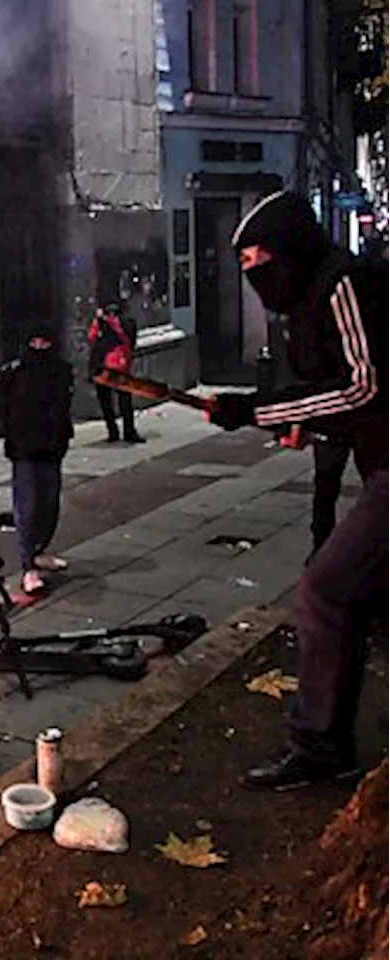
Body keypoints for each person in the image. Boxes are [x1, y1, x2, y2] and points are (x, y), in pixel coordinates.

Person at [205, 189, 389, 791]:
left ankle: (318, 745)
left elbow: (365, 387)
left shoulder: (343, 284)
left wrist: (263, 410)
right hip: (379, 455)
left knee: (327, 588)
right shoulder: (305, 301)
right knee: (361, 591)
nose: (256, 279)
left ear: (287, 251)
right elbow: (336, 395)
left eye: (260, 263)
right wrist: (302, 421)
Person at [3, 324, 75, 597]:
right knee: (28, 508)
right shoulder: (17, 371)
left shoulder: (61, 371)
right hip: (25, 450)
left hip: (51, 448)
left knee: (49, 505)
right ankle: (28, 565)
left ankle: (39, 551)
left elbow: (61, 407)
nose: (40, 347)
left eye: (45, 342)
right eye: (35, 342)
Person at [88, 303, 144, 443]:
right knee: (124, 400)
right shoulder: (126, 322)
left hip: (104, 366)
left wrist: (101, 322)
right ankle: (128, 431)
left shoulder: (106, 322)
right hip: (119, 366)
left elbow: (92, 337)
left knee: (107, 400)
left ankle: (113, 431)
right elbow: (131, 342)